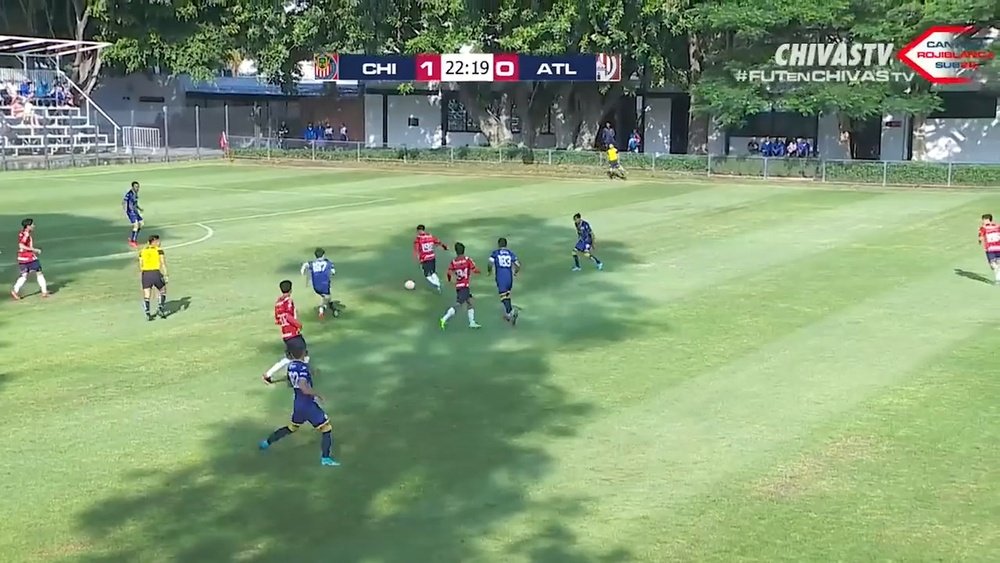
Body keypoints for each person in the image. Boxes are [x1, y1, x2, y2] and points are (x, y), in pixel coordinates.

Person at [259, 347, 339, 467]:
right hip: (307, 405)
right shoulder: (303, 368)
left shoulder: (291, 366)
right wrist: (318, 394)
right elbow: (303, 387)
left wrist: (310, 372)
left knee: (292, 428)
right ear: (303, 354)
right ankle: (325, 458)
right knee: (326, 428)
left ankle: (266, 443)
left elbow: (291, 380)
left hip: (298, 404)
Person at [263, 280, 309, 382]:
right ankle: (303, 376)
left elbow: (278, 319)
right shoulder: (288, 301)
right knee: (304, 355)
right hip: (293, 334)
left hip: (285, 334)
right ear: (291, 289)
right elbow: (288, 315)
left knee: (289, 358)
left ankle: (268, 374)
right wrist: (298, 324)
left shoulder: (278, 302)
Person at [440, 242, 481, 330]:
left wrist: (450, 280)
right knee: (458, 304)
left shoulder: (454, 262)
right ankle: (444, 318)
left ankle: (472, 322)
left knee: (469, 302)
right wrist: (479, 271)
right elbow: (474, 270)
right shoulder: (467, 260)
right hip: (465, 286)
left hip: (459, 285)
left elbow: (449, 272)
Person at [11, 218, 48, 300]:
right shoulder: (26, 234)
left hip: (21, 258)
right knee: (39, 272)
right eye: (32, 225)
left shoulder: (21, 233)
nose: (34, 226)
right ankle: (44, 292)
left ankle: (15, 290)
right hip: (29, 257)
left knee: (24, 275)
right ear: (28, 226)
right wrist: (35, 250)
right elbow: (21, 245)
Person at [488, 237, 521, 325]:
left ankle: (511, 312)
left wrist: (489, 271)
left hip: (501, 276)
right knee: (507, 294)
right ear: (506, 245)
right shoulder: (510, 253)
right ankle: (508, 315)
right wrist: (516, 272)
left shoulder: (496, 253)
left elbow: (490, 263)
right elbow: (517, 264)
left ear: (499, 245)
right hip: (509, 277)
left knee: (503, 296)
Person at [300, 247, 337, 318]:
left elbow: (305, 265)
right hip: (325, 285)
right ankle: (322, 310)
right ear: (323, 255)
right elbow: (333, 272)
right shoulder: (328, 263)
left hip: (316, 286)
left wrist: (302, 272)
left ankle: (328, 305)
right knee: (327, 298)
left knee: (325, 297)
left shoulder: (312, 263)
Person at [139, 235, 168, 320]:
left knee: (147, 294)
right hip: (155, 272)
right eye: (158, 241)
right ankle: (160, 308)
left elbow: (141, 265)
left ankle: (147, 312)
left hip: (145, 274)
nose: (160, 243)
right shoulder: (159, 251)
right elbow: (163, 263)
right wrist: (166, 275)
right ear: (154, 242)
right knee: (162, 290)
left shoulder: (142, 251)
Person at [414, 224, 448, 292]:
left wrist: (418, 258)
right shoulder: (430, 236)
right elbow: (439, 242)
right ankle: (438, 284)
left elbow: (417, 249)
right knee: (433, 272)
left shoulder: (418, 239)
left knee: (427, 274)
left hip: (425, 258)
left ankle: (436, 284)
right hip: (432, 257)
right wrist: (444, 247)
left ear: (419, 230)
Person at [979, 213, 1000, 284]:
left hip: (993, 248)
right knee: (994, 265)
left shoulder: (984, 228)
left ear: (988, 220)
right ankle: (998, 278)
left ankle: (998, 279)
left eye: (984, 220)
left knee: (994, 265)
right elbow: (981, 236)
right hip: (993, 248)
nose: (983, 221)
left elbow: (981, 236)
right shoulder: (997, 226)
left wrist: (980, 240)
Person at [123, 181, 144, 248]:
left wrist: (139, 208)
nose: (137, 188)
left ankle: (133, 237)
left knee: (141, 224)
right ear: (132, 187)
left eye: (138, 187)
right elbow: (124, 201)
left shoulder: (136, 193)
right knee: (136, 225)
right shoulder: (129, 194)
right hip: (131, 212)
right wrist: (126, 210)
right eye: (135, 187)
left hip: (135, 211)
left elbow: (135, 203)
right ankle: (133, 241)